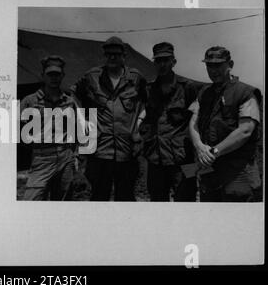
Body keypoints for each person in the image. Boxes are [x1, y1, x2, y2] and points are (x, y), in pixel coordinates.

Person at [70, 36, 147, 201]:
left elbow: (148, 102)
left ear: (123, 56)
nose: (112, 57)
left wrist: (139, 125)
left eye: (116, 54)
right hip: (99, 150)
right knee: (99, 196)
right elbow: (73, 95)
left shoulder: (135, 78)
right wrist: (82, 121)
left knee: (126, 197)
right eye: (108, 54)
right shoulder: (92, 77)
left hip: (127, 150)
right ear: (104, 55)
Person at [188, 46, 262, 202]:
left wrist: (213, 152)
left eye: (218, 65)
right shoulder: (204, 92)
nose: (213, 70)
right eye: (209, 65)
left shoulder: (245, 92)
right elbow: (193, 122)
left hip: (238, 171)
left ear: (231, 64)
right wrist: (200, 147)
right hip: (209, 168)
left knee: (238, 220)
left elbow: (245, 131)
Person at [139, 42, 201, 201]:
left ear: (173, 62)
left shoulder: (188, 87)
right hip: (155, 157)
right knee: (157, 202)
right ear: (154, 63)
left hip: (185, 159)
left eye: (166, 60)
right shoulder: (149, 89)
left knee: (187, 200)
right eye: (158, 61)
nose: (162, 64)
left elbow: (198, 118)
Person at [20, 55, 77, 201]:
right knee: (31, 200)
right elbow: (18, 131)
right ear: (42, 76)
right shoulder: (30, 101)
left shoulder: (69, 101)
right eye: (50, 74)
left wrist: (74, 155)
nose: (54, 78)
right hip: (41, 158)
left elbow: (78, 129)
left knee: (63, 202)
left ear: (63, 76)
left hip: (66, 159)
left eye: (57, 75)